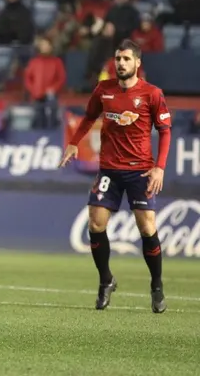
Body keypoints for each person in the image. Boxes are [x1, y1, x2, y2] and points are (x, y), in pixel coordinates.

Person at [59, 39, 171, 314]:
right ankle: (106, 280)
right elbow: (88, 117)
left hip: (140, 170)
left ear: (137, 63)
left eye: (126, 59)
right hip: (109, 168)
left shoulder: (152, 94)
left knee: (147, 227)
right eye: (118, 59)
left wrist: (160, 167)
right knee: (96, 224)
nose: (121, 63)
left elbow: (165, 131)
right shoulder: (103, 90)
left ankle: (156, 286)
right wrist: (74, 142)